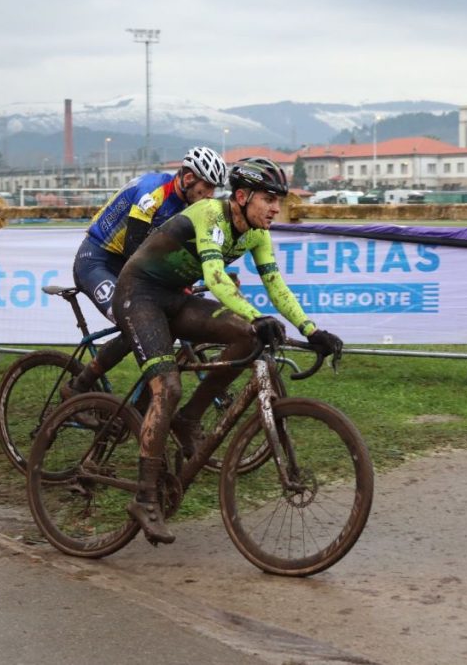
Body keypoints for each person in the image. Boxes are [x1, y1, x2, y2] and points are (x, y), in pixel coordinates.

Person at [111, 157, 343, 544]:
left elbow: (276, 287)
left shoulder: (256, 233)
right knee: (166, 388)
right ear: (241, 196)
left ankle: (189, 420)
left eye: (278, 201)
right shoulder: (210, 215)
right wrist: (256, 316)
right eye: (269, 199)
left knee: (247, 338)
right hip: (139, 293)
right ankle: (145, 496)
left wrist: (311, 329)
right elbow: (216, 278)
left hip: (174, 298)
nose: (275, 209)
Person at [66, 146, 227, 394]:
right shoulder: (152, 193)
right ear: (187, 178)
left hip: (127, 264)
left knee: (164, 316)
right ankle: (79, 386)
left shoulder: (190, 205)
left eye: (214, 189)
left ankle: (144, 402)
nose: (210, 195)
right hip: (95, 261)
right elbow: (135, 249)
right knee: (135, 321)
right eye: (205, 188)